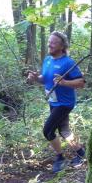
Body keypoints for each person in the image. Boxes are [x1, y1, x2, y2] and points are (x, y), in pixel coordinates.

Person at [26, 31, 86, 172]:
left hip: (64, 103)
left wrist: (64, 82)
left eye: (53, 42)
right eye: (49, 42)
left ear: (62, 46)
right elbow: (45, 79)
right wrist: (36, 78)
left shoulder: (68, 62)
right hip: (53, 102)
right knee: (64, 130)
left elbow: (81, 82)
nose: (49, 44)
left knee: (48, 131)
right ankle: (81, 153)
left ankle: (60, 158)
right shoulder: (47, 60)